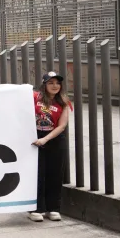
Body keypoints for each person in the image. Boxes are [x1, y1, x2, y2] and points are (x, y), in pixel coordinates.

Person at [30, 71, 70, 223]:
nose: (55, 86)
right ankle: (36, 208)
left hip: (53, 139)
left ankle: (53, 208)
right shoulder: (35, 98)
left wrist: (45, 139)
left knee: (55, 174)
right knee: (38, 174)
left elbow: (62, 126)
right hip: (36, 138)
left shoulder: (64, 102)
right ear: (44, 84)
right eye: (51, 83)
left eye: (57, 83)